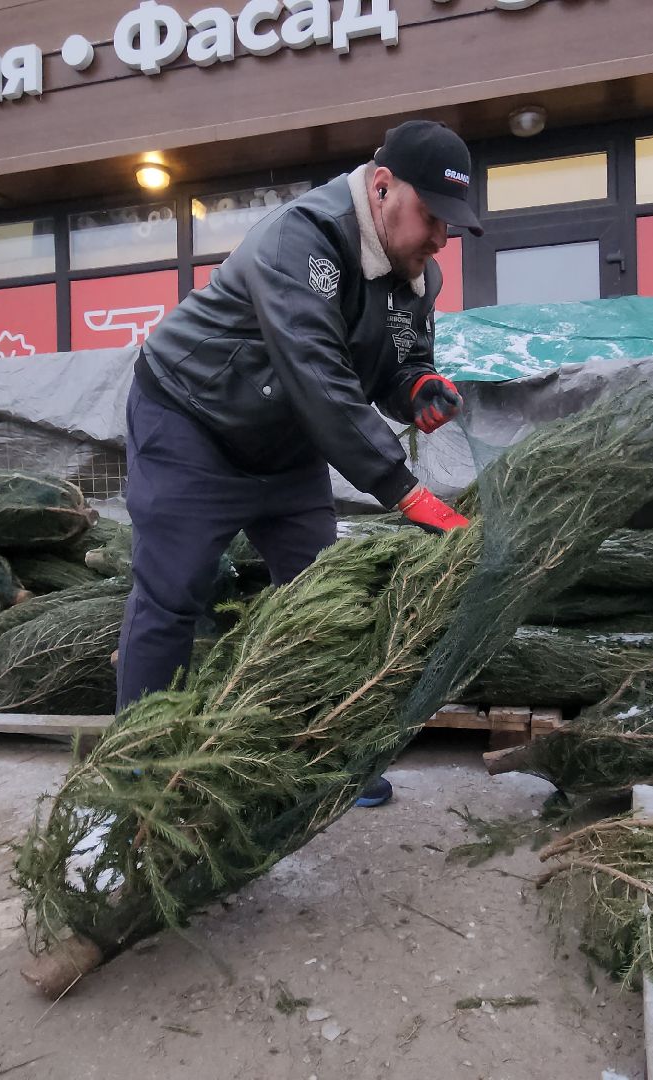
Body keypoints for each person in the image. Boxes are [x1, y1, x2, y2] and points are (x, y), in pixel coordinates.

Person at [118, 120, 481, 807]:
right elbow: (320, 377)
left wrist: (420, 389)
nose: (441, 240)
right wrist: (406, 493)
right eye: (433, 217)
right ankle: (137, 772)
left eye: (452, 225)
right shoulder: (302, 241)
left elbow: (400, 359)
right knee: (173, 595)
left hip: (287, 444)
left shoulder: (413, 276)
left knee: (325, 599)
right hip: (192, 424)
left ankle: (332, 749)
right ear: (382, 188)